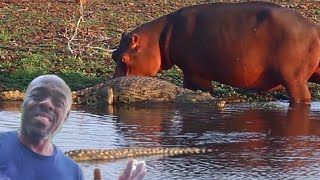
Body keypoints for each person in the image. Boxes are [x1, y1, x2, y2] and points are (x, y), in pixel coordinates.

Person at [0, 74, 147, 180]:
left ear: (66, 117)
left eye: (58, 101)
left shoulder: (73, 172)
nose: (47, 104)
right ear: (22, 104)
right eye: (38, 95)